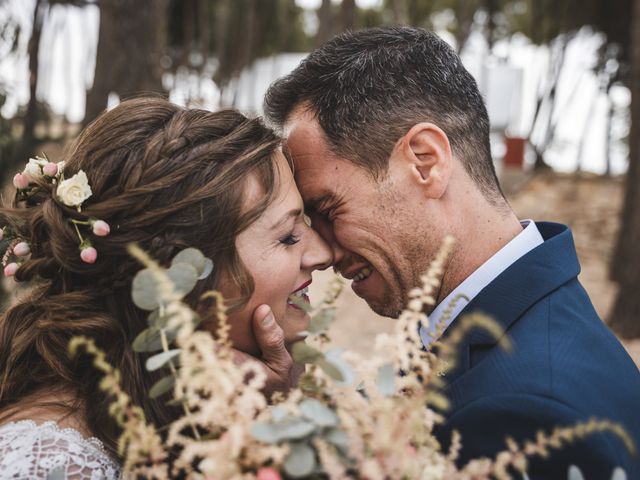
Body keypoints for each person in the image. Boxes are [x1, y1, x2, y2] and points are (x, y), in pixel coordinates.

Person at [262, 26, 640, 479]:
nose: (320, 249)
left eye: (327, 208)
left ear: (425, 161)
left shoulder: (528, 415)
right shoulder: (519, 324)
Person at [0, 98, 331, 478]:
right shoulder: (48, 463)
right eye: (288, 237)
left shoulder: (160, 404)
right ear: (176, 282)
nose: (323, 252)